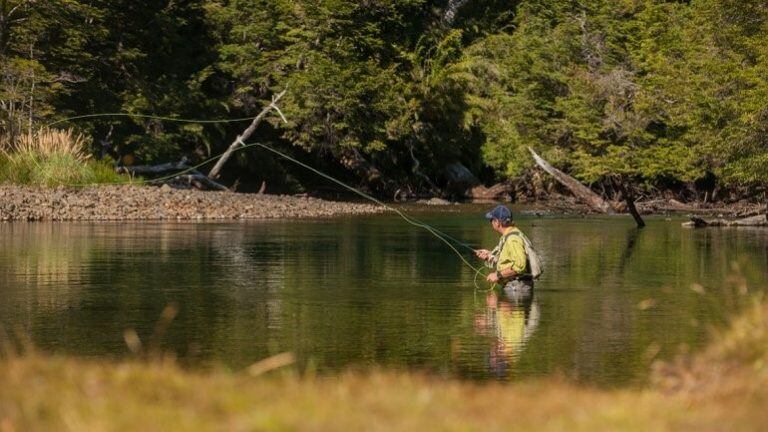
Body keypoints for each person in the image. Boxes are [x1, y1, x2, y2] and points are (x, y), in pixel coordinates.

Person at [475, 205, 534, 295]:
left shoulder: (512, 239)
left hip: (517, 290)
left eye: (491, 220)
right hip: (515, 289)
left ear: (497, 222)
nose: (491, 222)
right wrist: (489, 256)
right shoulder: (508, 236)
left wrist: (497, 275)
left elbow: (520, 266)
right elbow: (508, 261)